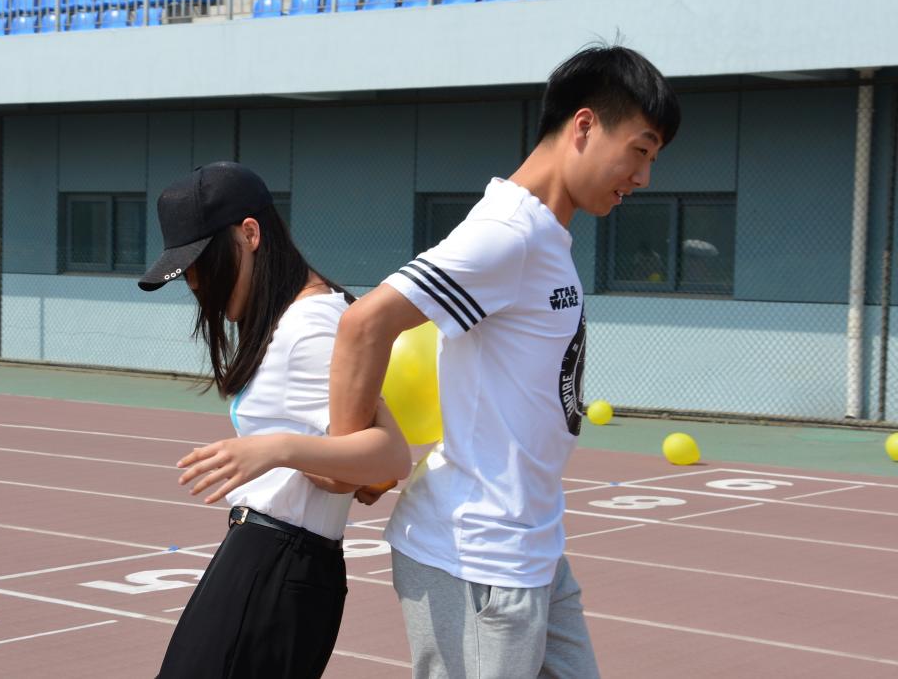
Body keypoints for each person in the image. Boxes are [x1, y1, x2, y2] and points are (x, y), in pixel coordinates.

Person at [326, 45, 681, 678]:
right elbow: (365, 322)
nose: (644, 176)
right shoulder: (507, 233)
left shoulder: (544, 235)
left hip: (533, 545)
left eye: (652, 158)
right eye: (640, 150)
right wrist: (352, 461)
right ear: (584, 126)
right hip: (478, 555)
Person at [137, 161, 411, 679]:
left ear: (250, 234)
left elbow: (393, 457)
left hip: (277, 566)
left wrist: (275, 449)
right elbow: (357, 461)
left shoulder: (310, 324)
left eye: (203, 265)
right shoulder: (292, 317)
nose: (198, 286)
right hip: (276, 564)